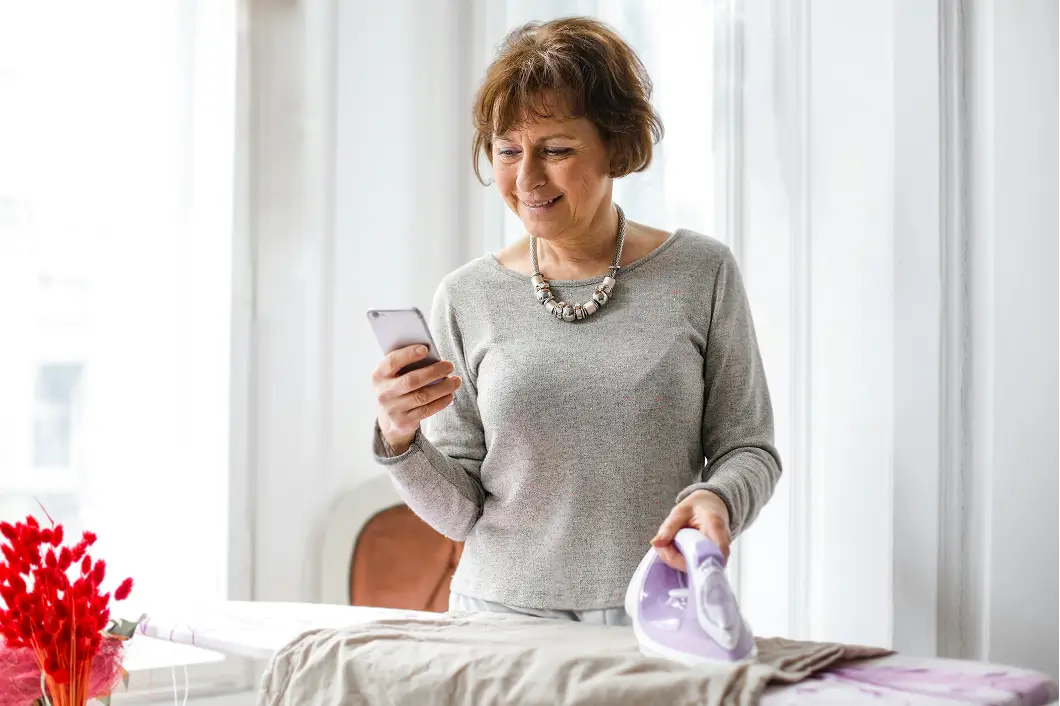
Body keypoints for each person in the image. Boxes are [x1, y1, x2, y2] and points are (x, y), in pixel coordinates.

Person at [371, 16, 781, 626]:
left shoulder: (703, 273)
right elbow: (461, 512)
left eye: (556, 150)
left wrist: (717, 497)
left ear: (616, 145)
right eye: (508, 150)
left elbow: (749, 448)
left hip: (659, 612)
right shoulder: (467, 295)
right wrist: (399, 439)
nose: (527, 178)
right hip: (498, 623)